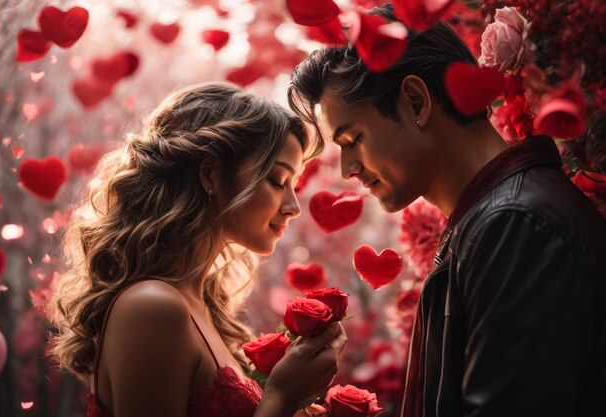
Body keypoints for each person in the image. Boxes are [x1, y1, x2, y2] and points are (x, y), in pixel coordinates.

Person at [288, 3, 606, 417]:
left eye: (353, 139)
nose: (348, 169)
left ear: (416, 102)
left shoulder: (515, 226)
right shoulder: (496, 221)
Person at [49, 82, 347, 417]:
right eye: (278, 181)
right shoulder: (151, 307)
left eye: (294, 186)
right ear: (211, 174)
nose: (293, 206)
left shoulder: (200, 306)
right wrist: (281, 396)